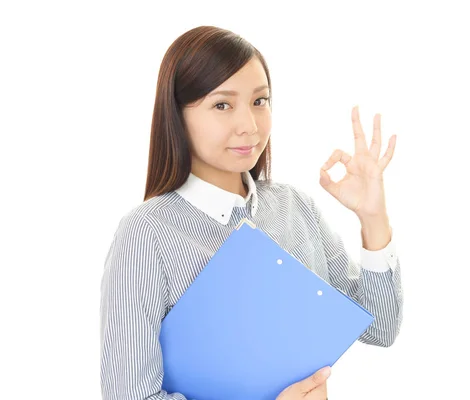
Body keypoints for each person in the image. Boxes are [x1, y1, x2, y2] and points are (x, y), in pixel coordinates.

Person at [100, 25, 403, 400]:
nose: (250, 126)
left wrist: (373, 218)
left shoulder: (295, 207)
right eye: (222, 105)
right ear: (177, 115)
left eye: (260, 101)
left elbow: (381, 327)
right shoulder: (146, 233)